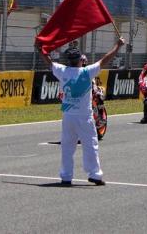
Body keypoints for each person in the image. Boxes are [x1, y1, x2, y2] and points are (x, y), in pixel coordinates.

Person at [37, 37, 125, 186]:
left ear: (68, 60)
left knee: (67, 147)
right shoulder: (86, 72)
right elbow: (105, 60)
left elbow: (48, 61)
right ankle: (95, 174)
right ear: (80, 59)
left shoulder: (62, 71)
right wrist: (118, 45)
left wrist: (39, 49)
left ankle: (66, 176)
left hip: (68, 116)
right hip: (85, 116)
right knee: (91, 145)